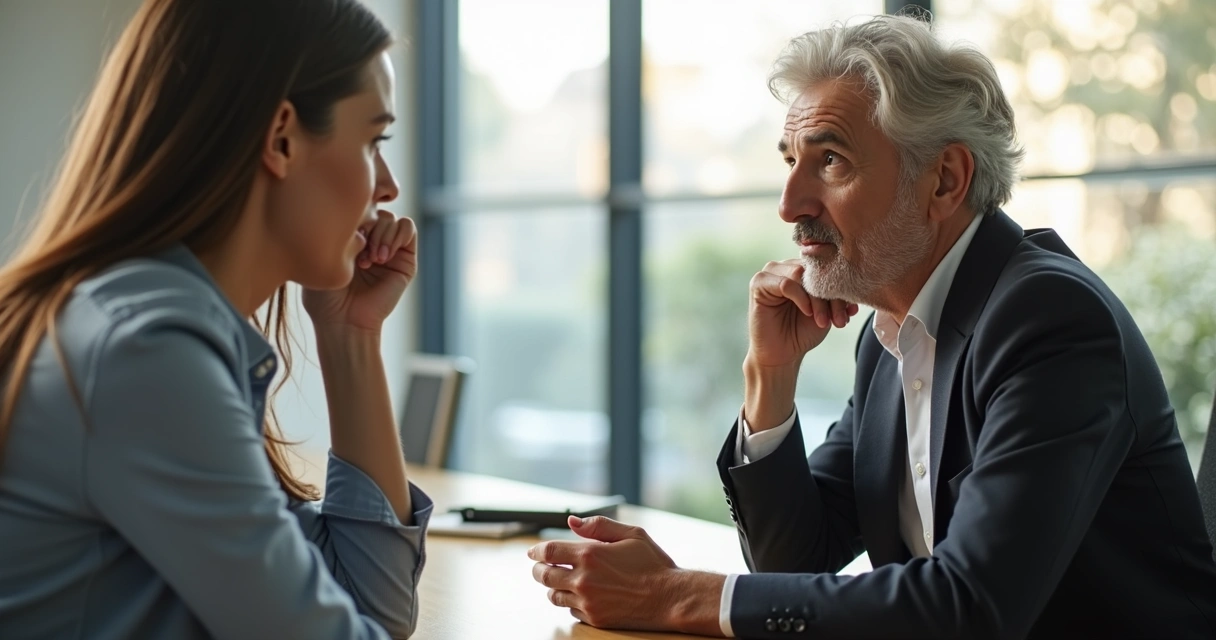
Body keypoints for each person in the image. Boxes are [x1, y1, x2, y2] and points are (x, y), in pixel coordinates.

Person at [528, 15, 1216, 639]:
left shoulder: (1048, 321)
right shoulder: (891, 335)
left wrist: (676, 596)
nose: (790, 204)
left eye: (830, 161)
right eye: (790, 160)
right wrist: (770, 376)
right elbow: (796, 561)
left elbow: (969, 606)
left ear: (944, 179)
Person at [0, 1, 431, 638]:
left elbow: (370, 611)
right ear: (281, 138)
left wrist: (351, 335)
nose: (387, 186)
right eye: (373, 140)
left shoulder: (149, 324)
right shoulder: (148, 352)